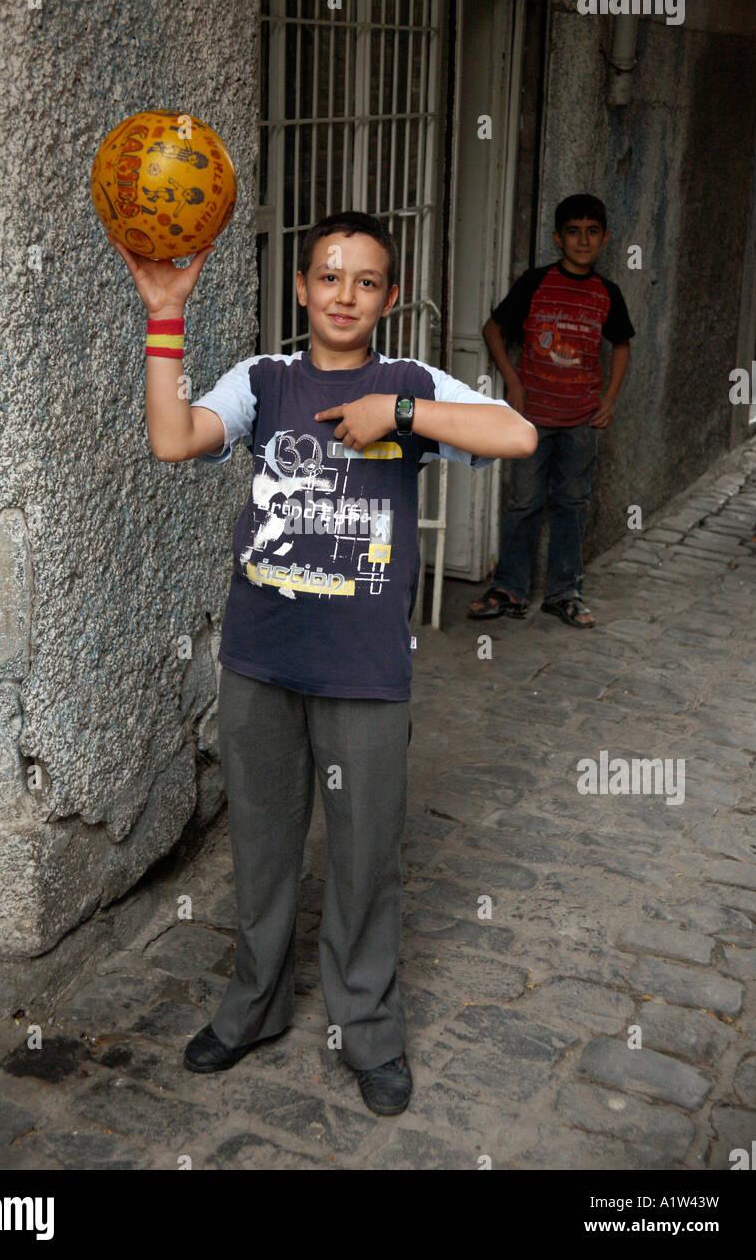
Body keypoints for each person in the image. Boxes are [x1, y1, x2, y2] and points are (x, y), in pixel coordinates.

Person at [107, 211, 536, 1116]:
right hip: (261, 660)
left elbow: (520, 436)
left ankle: (369, 1030)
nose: (345, 294)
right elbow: (171, 439)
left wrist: (402, 414)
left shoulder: (408, 382)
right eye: (329, 276)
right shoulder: (262, 381)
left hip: (364, 670)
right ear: (301, 288)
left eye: (366, 280)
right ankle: (253, 1007)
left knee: (365, 857)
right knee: (261, 851)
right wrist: (164, 318)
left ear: (389, 296)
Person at [468, 194, 635, 628]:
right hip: (532, 419)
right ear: (559, 238)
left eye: (592, 231)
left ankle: (564, 593)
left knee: (571, 503)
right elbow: (493, 329)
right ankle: (509, 589)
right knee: (524, 502)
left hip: (580, 419)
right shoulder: (536, 282)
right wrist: (514, 383)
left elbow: (621, 346)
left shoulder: (606, 293)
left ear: (605, 238)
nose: (583, 240)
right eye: (574, 231)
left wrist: (610, 400)